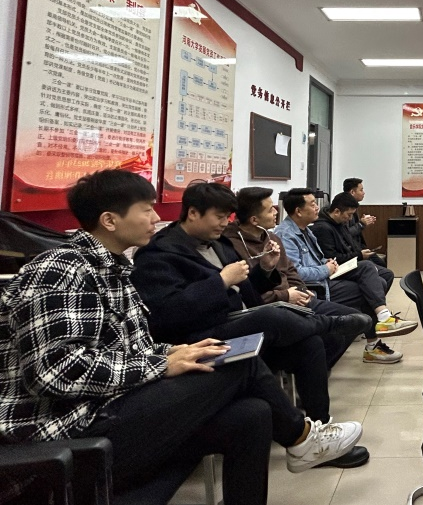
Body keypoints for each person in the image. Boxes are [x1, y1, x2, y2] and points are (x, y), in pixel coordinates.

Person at [0, 171, 362, 505]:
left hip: (120, 400)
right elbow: (56, 372)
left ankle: (301, 440)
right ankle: (302, 438)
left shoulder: (113, 268)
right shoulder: (61, 270)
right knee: (242, 363)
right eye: (146, 210)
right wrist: (162, 363)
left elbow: (135, 346)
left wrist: (177, 352)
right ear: (110, 220)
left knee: (251, 414)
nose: (156, 218)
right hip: (73, 424)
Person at [131, 182, 370, 469]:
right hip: (201, 337)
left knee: (309, 344)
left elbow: (248, 292)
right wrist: (220, 281)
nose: (225, 223)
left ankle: (317, 437)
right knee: (269, 317)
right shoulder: (158, 255)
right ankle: (327, 323)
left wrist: (265, 269)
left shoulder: (218, 243)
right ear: (193, 213)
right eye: (219, 216)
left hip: (241, 322)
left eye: (227, 217)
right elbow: (169, 314)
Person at [222, 186, 369, 367]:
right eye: (270, 210)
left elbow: (291, 271)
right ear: (254, 220)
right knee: (328, 335)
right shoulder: (232, 245)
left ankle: (319, 366)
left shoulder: (272, 238)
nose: (276, 212)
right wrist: (287, 295)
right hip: (274, 306)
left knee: (356, 320)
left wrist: (301, 290)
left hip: (298, 297)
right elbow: (252, 292)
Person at [275, 189, 416, 364]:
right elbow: (296, 273)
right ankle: (376, 336)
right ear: (298, 211)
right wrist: (325, 268)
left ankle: (380, 327)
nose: (317, 207)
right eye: (312, 204)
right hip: (314, 288)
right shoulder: (286, 235)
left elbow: (317, 259)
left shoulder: (305, 231)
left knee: (374, 276)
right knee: (371, 283)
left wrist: (326, 262)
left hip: (325, 278)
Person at [343, 177, 387, 267]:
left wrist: (362, 223)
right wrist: (361, 224)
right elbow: (346, 233)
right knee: (380, 267)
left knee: (382, 264)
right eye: (361, 190)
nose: (363, 193)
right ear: (352, 192)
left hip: (360, 247)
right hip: (352, 251)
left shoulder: (354, 206)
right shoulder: (344, 208)